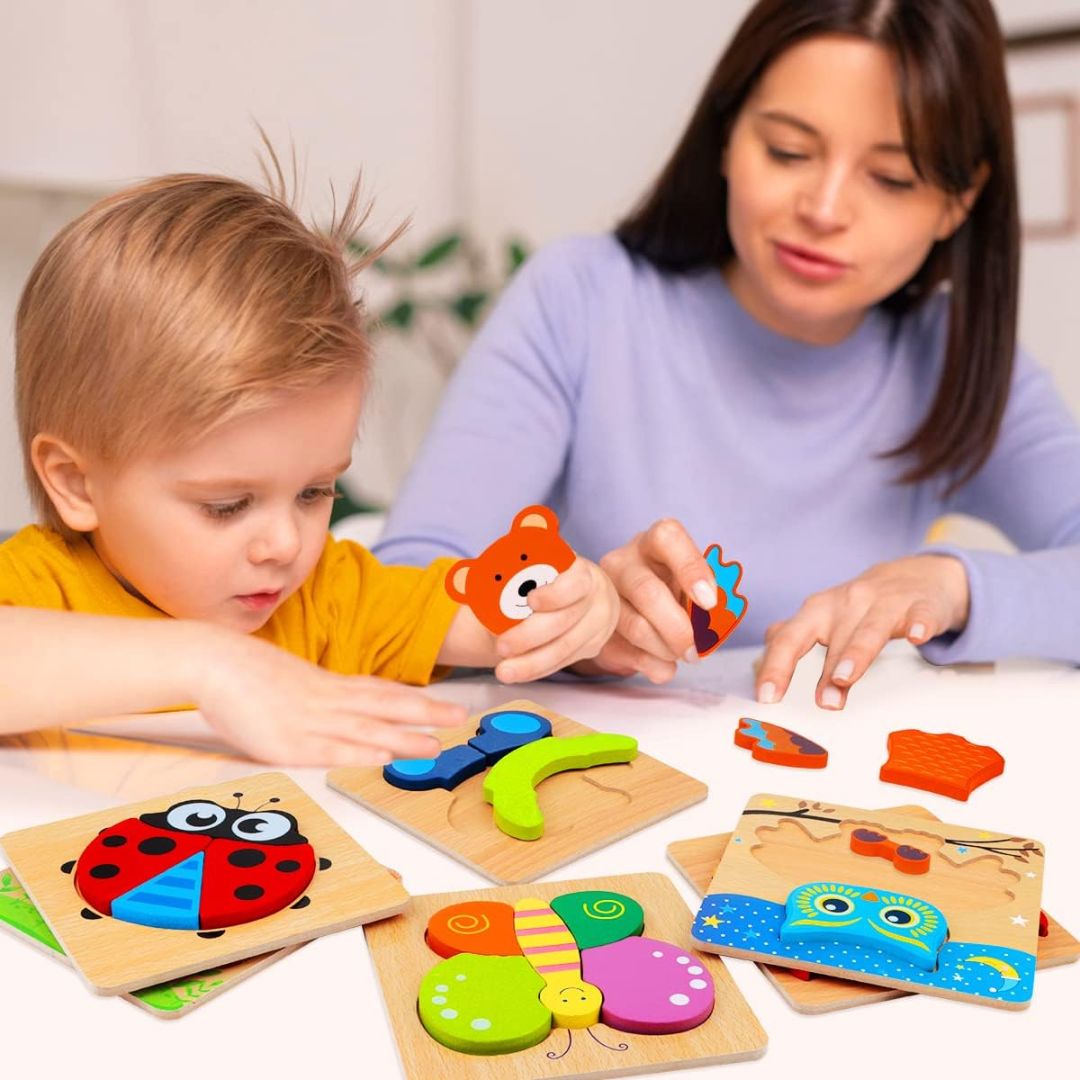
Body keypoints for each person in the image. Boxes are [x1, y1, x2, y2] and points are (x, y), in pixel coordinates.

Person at [376, 0, 1080, 710]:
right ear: (726, 135)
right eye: (788, 151)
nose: (825, 209)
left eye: (892, 178)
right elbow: (397, 587)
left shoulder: (954, 359)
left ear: (959, 202)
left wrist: (949, 584)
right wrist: (579, 618)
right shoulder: (582, 298)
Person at [0, 160, 619, 764]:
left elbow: (492, 616)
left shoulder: (327, 596)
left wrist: (569, 609)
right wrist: (209, 664)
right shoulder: (34, 593)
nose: (284, 543)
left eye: (315, 491)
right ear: (75, 482)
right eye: (227, 505)